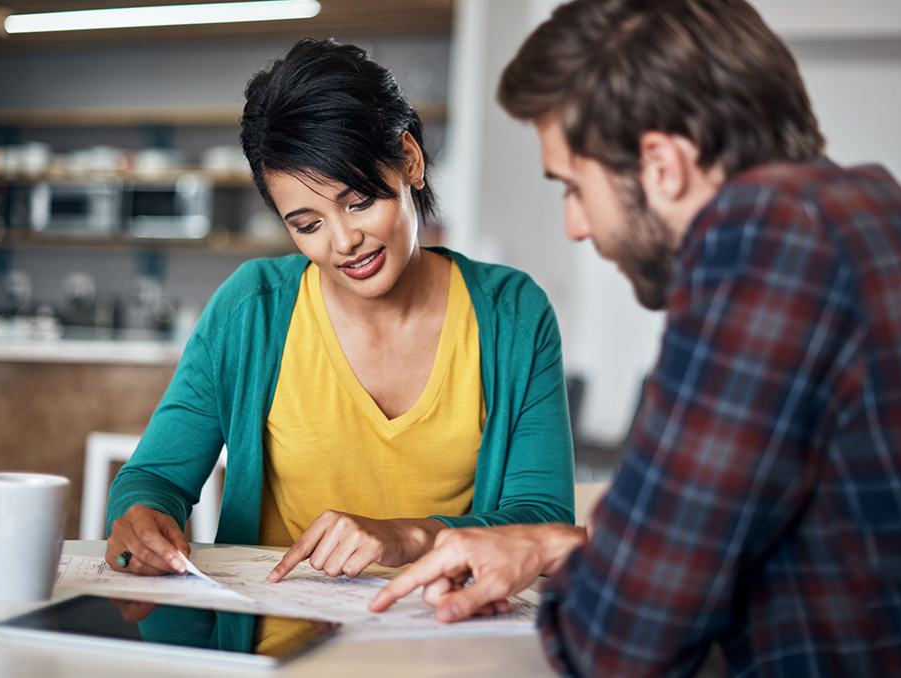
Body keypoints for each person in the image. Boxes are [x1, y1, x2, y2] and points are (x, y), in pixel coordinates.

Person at [370, 1, 901, 676]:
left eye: (573, 187)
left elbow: (618, 639)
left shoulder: (766, 239)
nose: (576, 226)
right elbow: (768, 532)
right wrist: (554, 545)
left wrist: (589, 577)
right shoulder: (888, 213)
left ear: (661, 164)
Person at [104, 38, 575, 654]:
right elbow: (154, 478)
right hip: (280, 657)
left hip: (450, 653)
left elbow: (540, 522)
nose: (344, 240)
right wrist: (143, 515)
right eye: (307, 224)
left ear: (408, 159)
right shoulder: (254, 311)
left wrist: (409, 536)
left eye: (359, 201)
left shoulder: (513, 315)